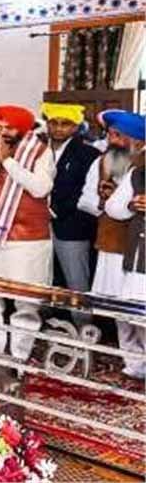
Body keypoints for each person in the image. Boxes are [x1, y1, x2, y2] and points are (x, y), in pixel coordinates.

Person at [0, 105, 54, 361]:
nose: (2, 133)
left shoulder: (41, 151)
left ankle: (19, 356)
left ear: (23, 130)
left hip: (27, 240)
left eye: (9, 128)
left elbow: (41, 188)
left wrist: (8, 162)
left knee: (26, 300)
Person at [79, 111, 144, 377]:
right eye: (110, 135)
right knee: (119, 309)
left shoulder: (140, 166)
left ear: (137, 140)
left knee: (136, 308)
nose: (112, 141)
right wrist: (105, 201)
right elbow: (85, 201)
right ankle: (134, 363)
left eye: (119, 136)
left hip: (135, 249)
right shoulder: (102, 162)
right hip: (110, 243)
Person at [41, 102, 98, 312]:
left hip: (72, 226)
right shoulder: (37, 150)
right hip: (37, 226)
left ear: (75, 127)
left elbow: (84, 191)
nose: (58, 128)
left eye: (65, 124)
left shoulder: (88, 154)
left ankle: (83, 325)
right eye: (53, 123)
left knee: (76, 281)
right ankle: (46, 319)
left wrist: (53, 211)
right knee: (43, 277)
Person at [102, 131, 145, 378]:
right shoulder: (137, 174)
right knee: (129, 314)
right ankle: (136, 366)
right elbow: (112, 208)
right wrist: (130, 205)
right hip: (138, 257)